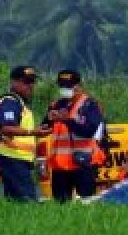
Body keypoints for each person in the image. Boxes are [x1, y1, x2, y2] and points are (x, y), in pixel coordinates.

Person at [44, 69, 106, 202]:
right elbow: (45, 127)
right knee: (61, 206)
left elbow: (89, 131)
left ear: (78, 86)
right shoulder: (56, 105)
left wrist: (67, 121)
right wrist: (48, 120)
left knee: (87, 203)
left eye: (67, 86)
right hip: (60, 165)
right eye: (61, 85)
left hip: (82, 163)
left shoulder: (90, 105)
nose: (64, 89)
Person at [0, 65, 51, 202]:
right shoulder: (9, 102)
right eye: (26, 81)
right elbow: (6, 128)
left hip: (18, 160)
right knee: (28, 201)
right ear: (14, 82)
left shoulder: (20, 103)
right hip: (12, 159)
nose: (30, 85)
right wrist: (33, 132)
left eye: (32, 82)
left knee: (16, 203)